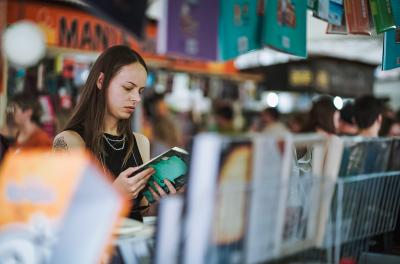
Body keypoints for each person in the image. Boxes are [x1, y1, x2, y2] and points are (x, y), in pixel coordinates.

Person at [52, 45, 175, 220]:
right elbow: (59, 215)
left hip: (131, 245)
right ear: (101, 81)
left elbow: (138, 212)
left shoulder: (140, 142)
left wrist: (157, 199)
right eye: (127, 88)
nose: (136, 98)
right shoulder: (70, 141)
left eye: (140, 91)